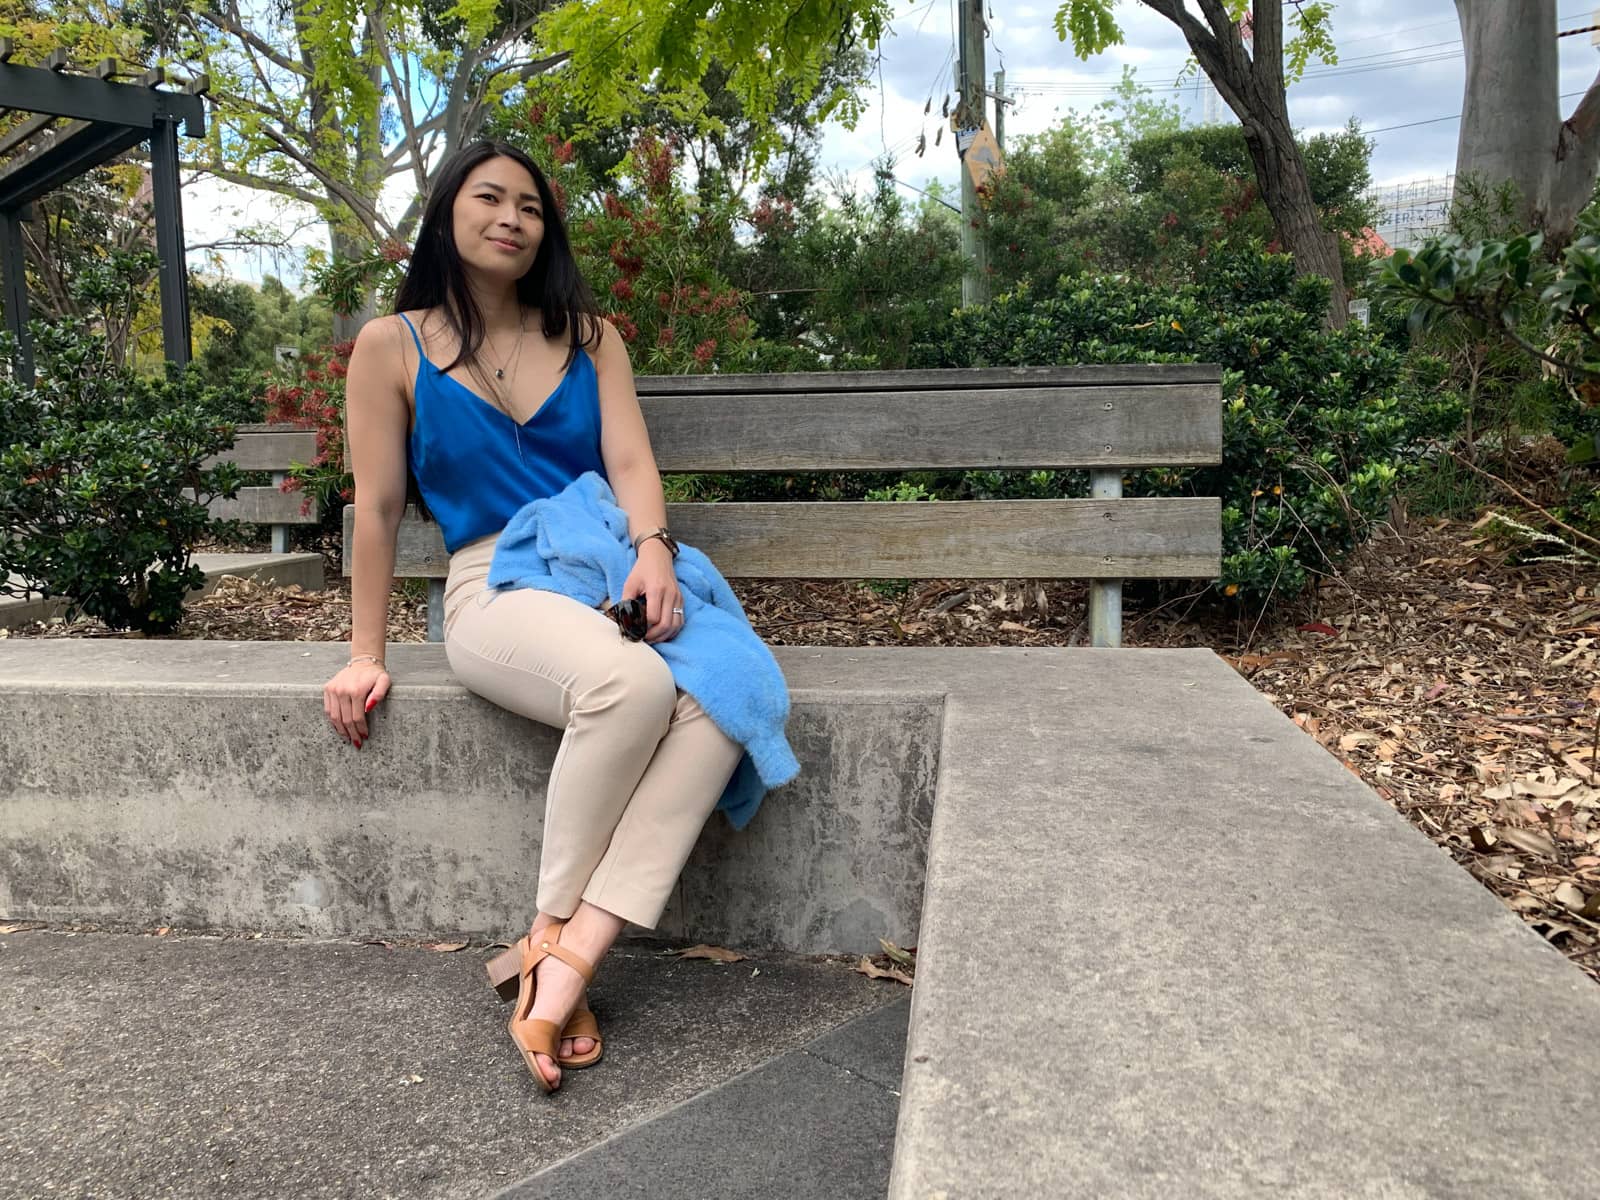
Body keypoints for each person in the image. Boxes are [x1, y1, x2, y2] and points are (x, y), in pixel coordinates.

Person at [321, 140, 748, 1094]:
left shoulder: (591, 337)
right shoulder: (392, 346)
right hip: (493, 585)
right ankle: (559, 943)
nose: (512, 217)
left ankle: (561, 958)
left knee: (722, 699)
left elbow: (633, 466)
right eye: (489, 198)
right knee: (631, 683)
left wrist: (652, 551)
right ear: (447, 214)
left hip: (600, 563)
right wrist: (363, 653)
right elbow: (379, 508)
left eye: (530, 206)